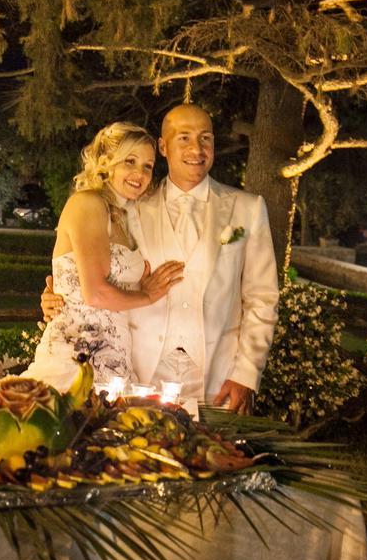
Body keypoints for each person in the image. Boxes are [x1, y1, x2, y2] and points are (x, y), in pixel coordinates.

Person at [42, 104, 279, 415]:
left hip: (216, 378)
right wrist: (59, 295)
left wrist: (247, 374)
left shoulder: (248, 208)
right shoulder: (128, 208)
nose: (197, 148)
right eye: (184, 138)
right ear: (164, 147)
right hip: (137, 374)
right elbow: (90, 268)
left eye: (205, 138)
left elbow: (262, 297)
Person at [23, 123, 184, 391]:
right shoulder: (87, 203)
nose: (140, 173)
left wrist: (138, 287)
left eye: (147, 165)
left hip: (115, 358)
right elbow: (95, 294)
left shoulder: (124, 216)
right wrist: (148, 296)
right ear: (107, 162)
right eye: (129, 161)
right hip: (75, 357)